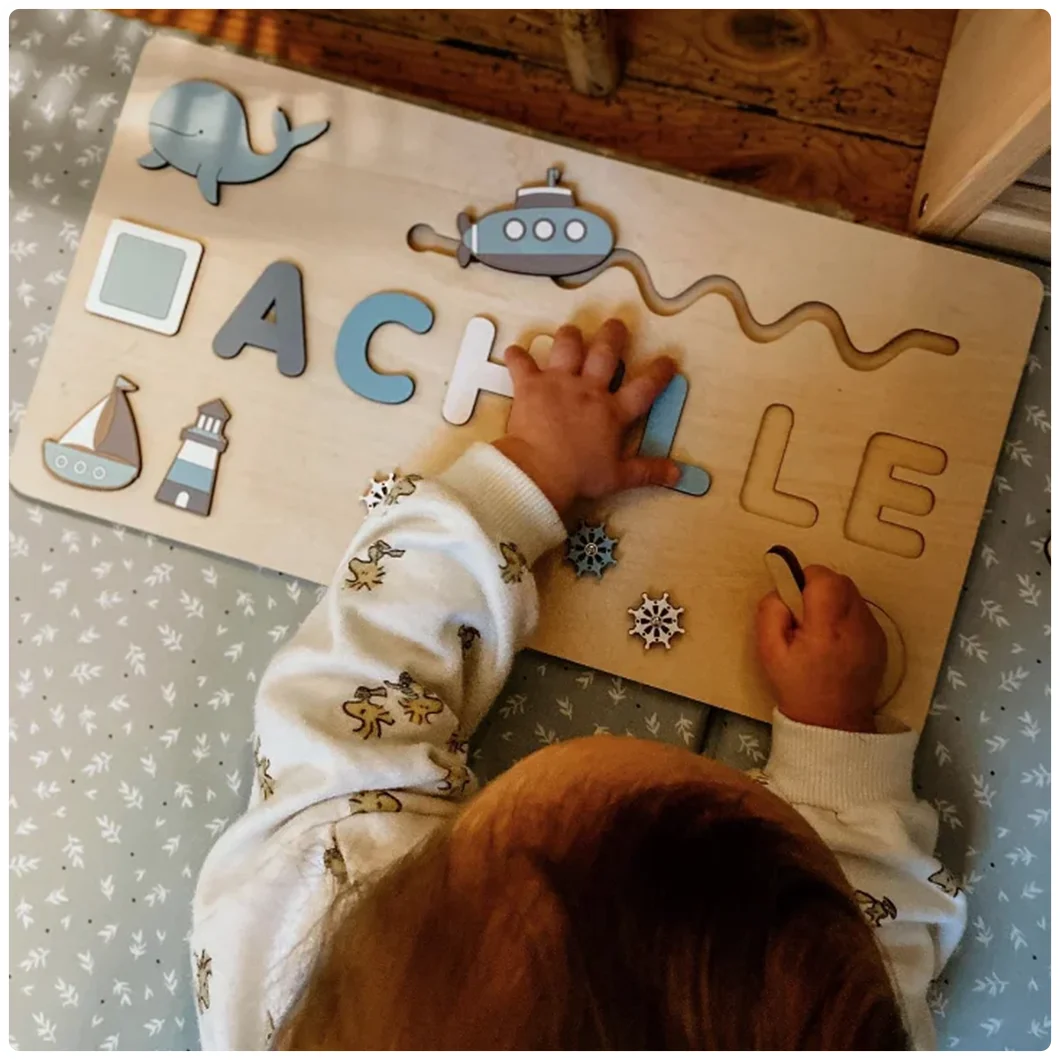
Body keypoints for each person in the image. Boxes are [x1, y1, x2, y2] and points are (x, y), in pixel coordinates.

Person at [191, 319, 965, 1050]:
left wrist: (533, 470)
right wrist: (837, 737)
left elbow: (364, 662)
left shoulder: (307, 909)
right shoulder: (834, 1021)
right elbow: (863, 937)